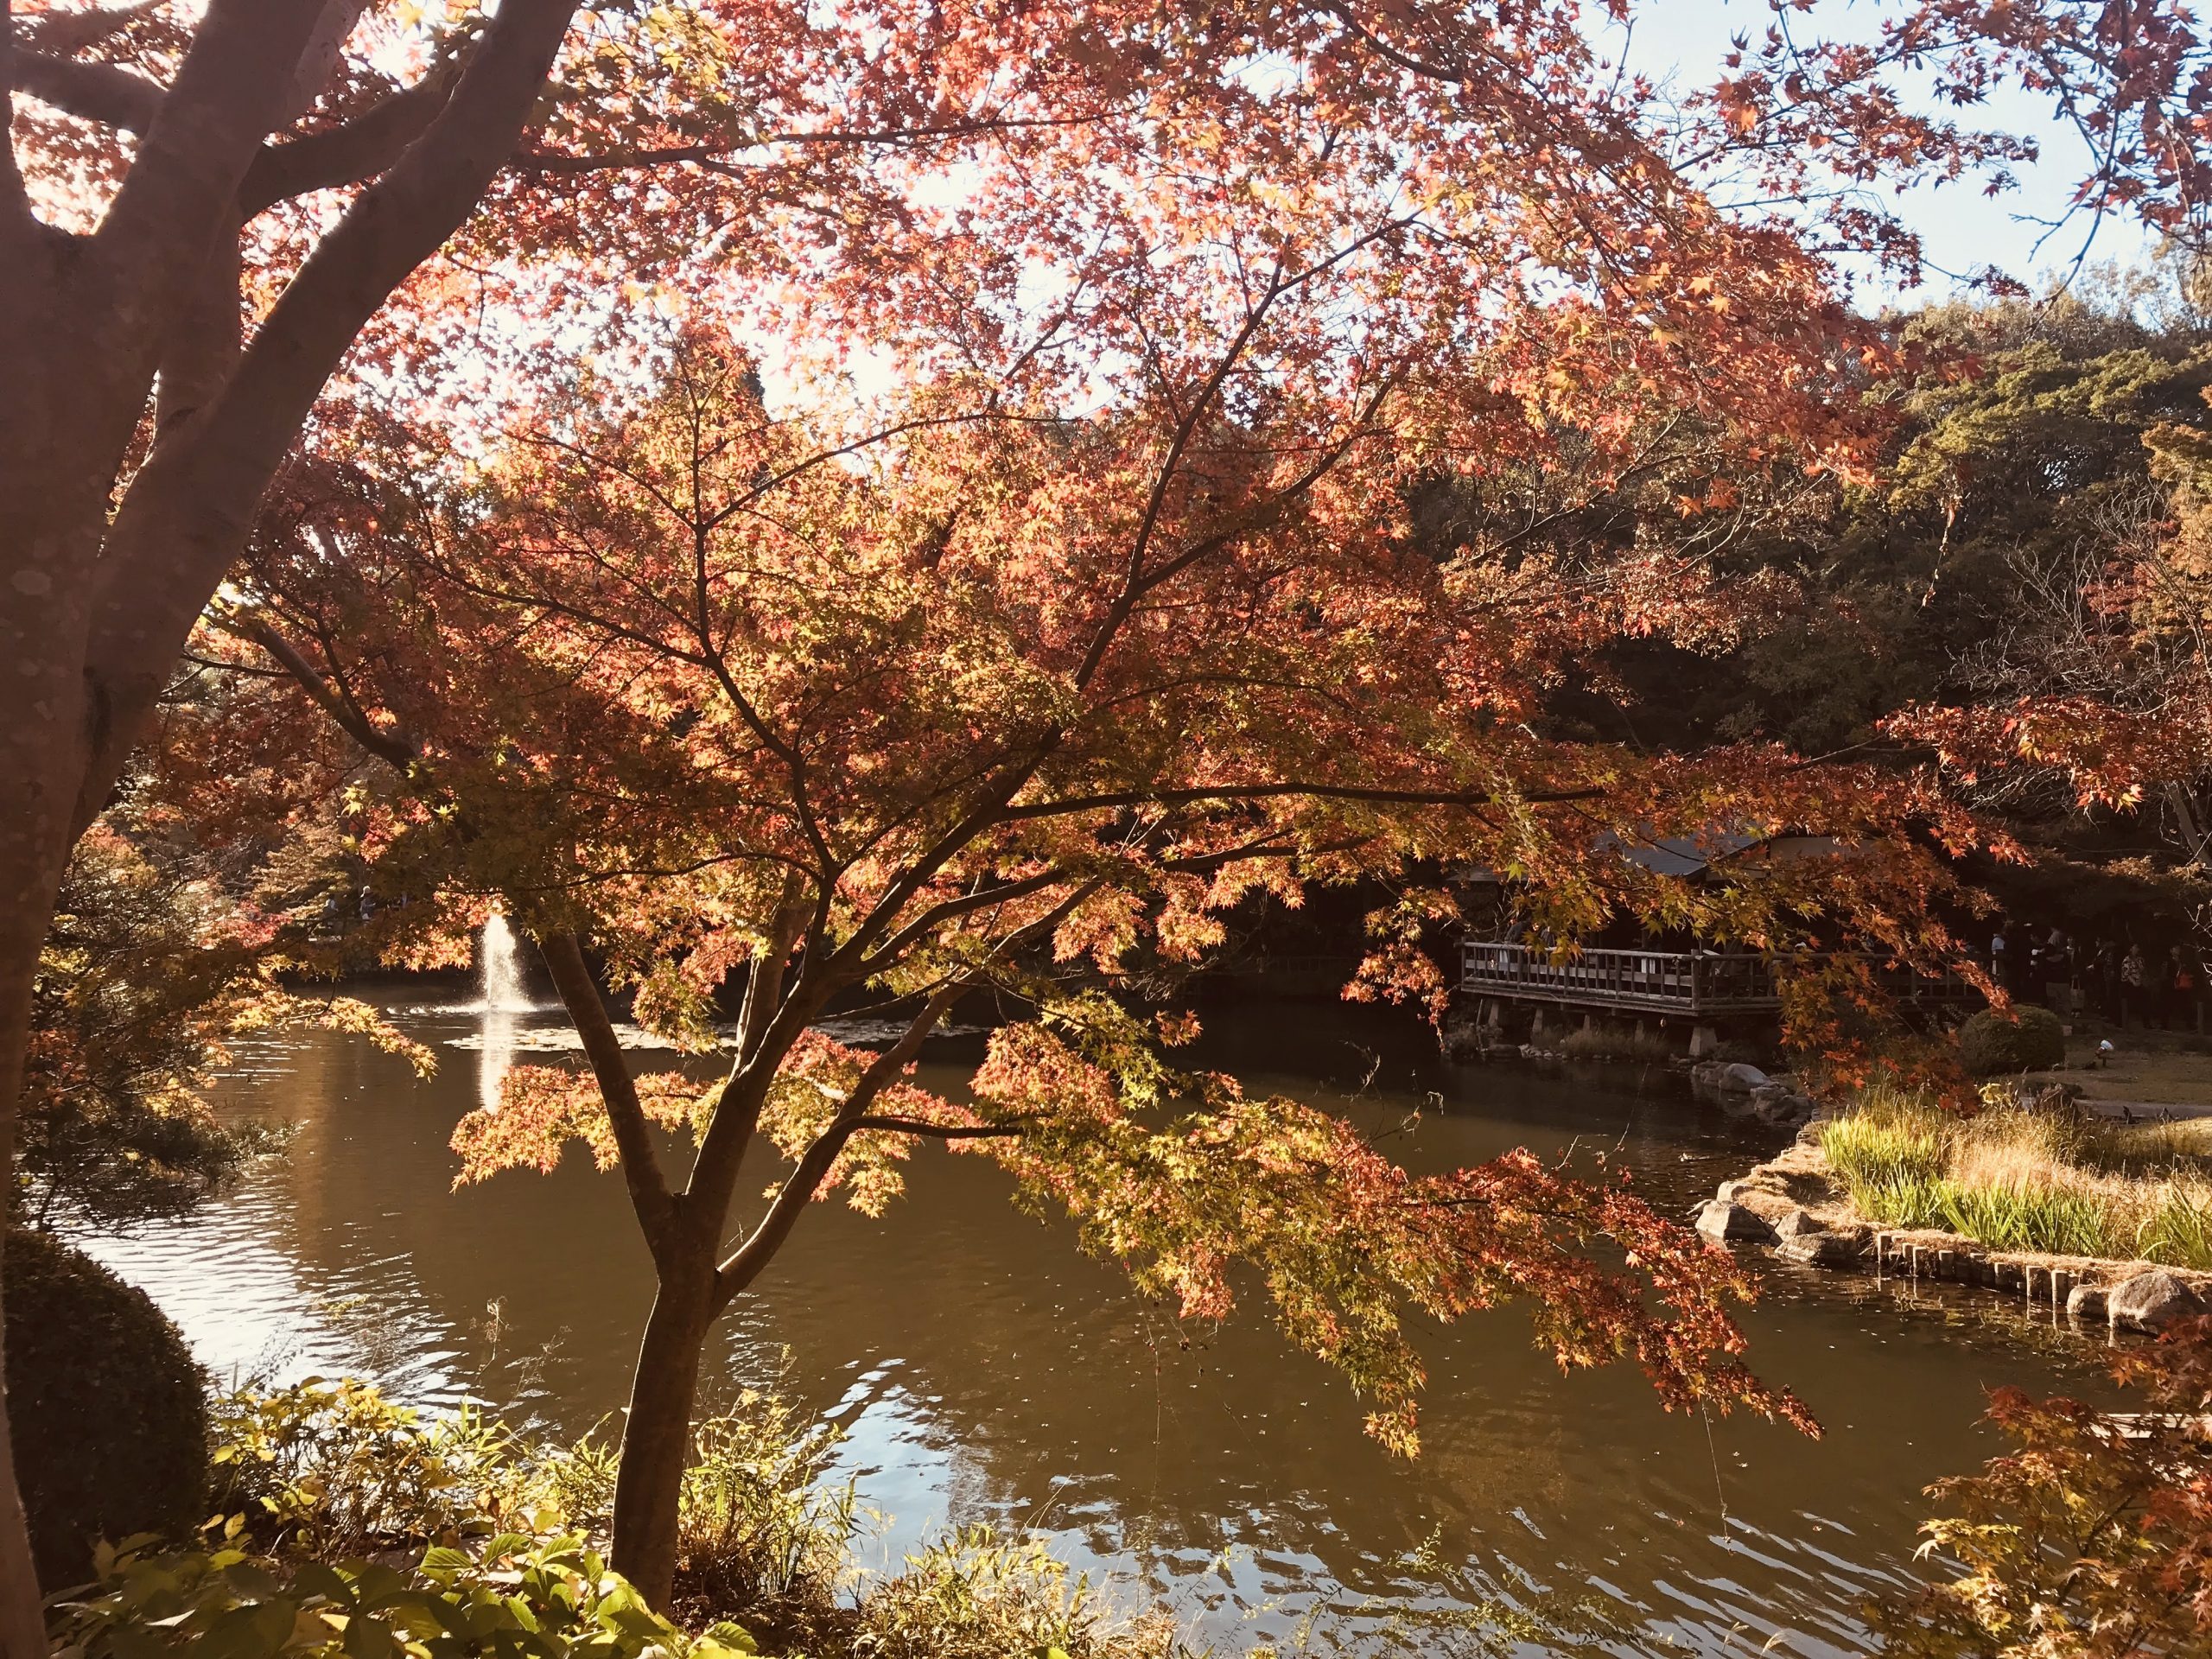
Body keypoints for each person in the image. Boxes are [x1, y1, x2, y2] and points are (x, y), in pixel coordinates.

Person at [2122, 942, 2148, 1028]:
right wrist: (2134, 982)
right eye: (2135, 947)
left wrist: (2140, 981)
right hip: (2129, 983)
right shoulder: (2127, 959)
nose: (2137, 949)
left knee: (2145, 1000)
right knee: (2128, 1003)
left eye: (2137, 947)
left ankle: (2146, 1023)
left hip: (2139, 982)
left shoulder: (2140, 959)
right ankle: (2127, 1024)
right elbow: (2126, 973)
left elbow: (2143, 971)